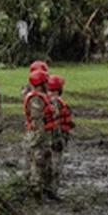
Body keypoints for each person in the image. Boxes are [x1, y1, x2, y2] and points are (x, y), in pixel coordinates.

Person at [23, 70, 59, 200]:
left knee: (45, 162)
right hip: (39, 137)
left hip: (45, 136)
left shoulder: (43, 97)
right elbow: (37, 121)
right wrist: (38, 140)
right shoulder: (36, 100)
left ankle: (45, 189)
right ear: (40, 83)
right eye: (45, 82)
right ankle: (35, 190)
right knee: (38, 162)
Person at [48, 74, 74, 196]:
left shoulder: (46, 100)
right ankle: (52, 191)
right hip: (56, 139)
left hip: (49, 138)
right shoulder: (56, 103)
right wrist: (58, 138)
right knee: (55, 166)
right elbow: (57, 122)